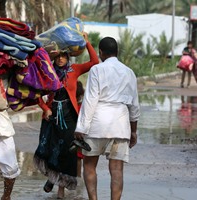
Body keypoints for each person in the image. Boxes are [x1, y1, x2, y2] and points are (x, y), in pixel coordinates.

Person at [34, 32, 99, 199]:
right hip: (52, 115)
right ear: (54, 58)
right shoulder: (47, 72)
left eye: (64, 56)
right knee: (50, 149)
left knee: (67, 152)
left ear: (68, 56)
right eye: (58, 56)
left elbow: (94, 62)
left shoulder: (74, 70)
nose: (61, 59)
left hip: (70, 116)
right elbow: (36, 93)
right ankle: (52, 177)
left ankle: (60, 191)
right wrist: (44, 108)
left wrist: (87, 41)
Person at [74, 37, 140, 200]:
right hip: (120, 125)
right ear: (117, 52)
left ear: (101, 53)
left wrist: (81, 128)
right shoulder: (129, 72)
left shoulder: (97, 70)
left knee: (89, 166)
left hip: (97, 124)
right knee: (117, 169)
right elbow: (134, 105)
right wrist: (133, 131)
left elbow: (90, 100)